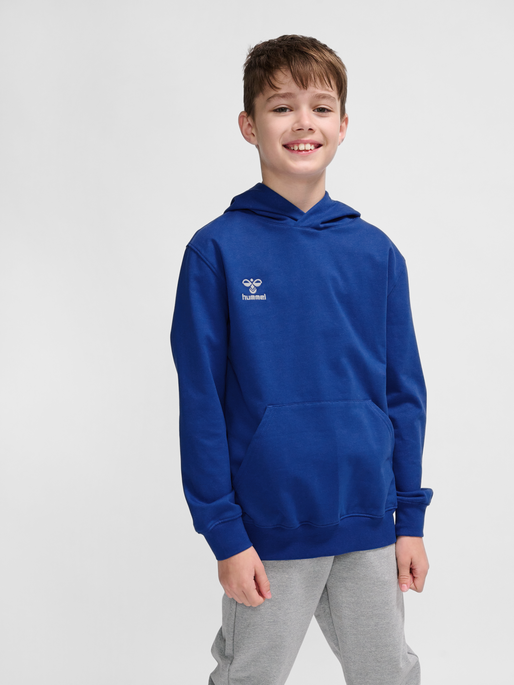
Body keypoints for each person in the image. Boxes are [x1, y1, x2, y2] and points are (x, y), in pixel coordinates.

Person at [170, 34, 433, 685]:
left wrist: (410, 519)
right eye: (282, 107)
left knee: (389, 673)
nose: (302, 123)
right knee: (250, 675)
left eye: (320, 107)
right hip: (268, 527)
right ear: (249, 125)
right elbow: (201, 403)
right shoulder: (216, 251)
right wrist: (225, 533)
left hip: (368, 521)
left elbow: (404, 393)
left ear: (342, 125)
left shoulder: (376, 252)